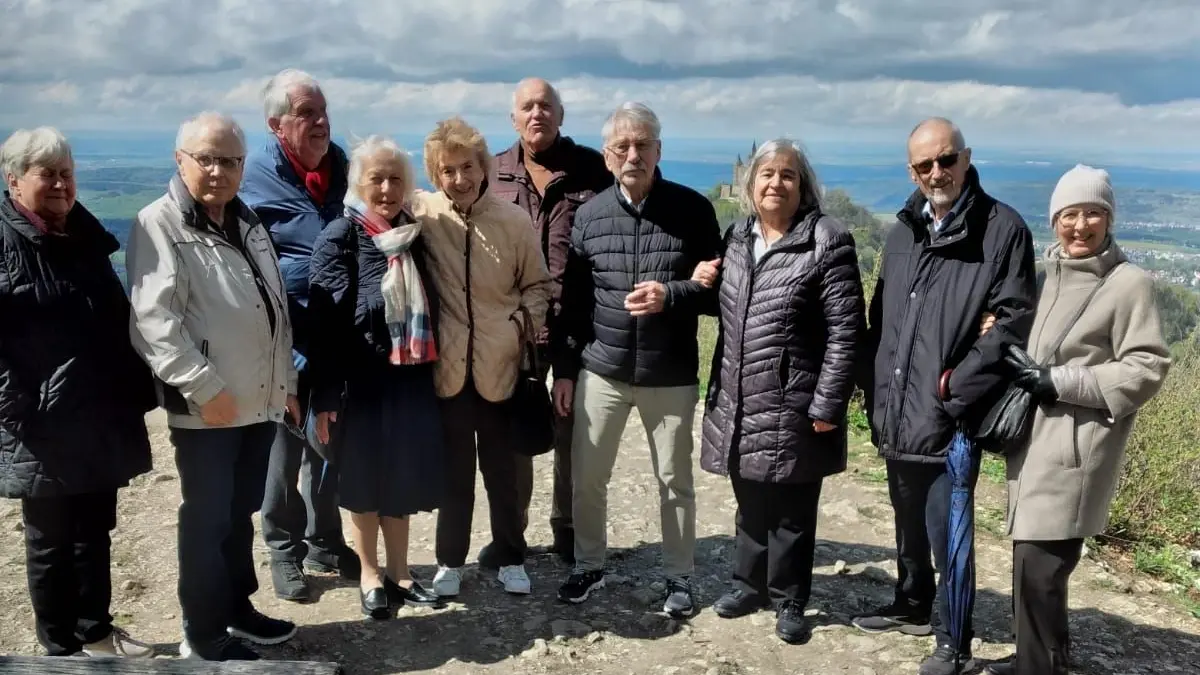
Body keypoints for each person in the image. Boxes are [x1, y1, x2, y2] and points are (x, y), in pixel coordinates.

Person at [854, 117, 1037, 675]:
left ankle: (953, 640)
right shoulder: (903, 229)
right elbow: (882, 314)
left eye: (946, 160)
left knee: (948, 531)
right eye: (924, 165)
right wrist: (873, 381)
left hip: (952, 417)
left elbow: (1013, 321)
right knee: (906, 517)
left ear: (966, 158)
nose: (937, 172)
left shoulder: (1001, 228)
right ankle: (911, 603)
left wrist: (956, 387)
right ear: (911, 170)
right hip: (898, 405)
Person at [984, 165, 1170, 675]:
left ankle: (1035, 667)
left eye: (1093, 213)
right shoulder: (1048, 277)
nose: (1081, 225)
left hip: (1077, 448)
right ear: (1055, 220)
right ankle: (1047, 658)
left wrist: (1061, 382)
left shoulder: (1129, 283)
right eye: (1070, 214)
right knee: (1034, 559)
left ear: (1109, 219)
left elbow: (1147, 366)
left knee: (1039, 566)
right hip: (1035, 444)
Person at [127, 112, 299, 661]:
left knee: (239, 510)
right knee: (206, 519)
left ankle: (236, 608)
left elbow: (274, 311)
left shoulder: (245, 220)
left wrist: (285, 383)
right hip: (210, 408)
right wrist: (204, 388)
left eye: (230, 160)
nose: (219, 170)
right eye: (207, 158)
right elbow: (152, 323)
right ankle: (202, 633)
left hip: (258, 400)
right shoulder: (160, 223)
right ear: (181, 160)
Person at [553, 102, 722, 618]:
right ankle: (588, 565)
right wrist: (564, 370)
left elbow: (717, 295)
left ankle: (679, 576)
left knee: (675, 482)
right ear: (607, 157)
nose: (633, 154)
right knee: (587, 477)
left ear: (659, 151)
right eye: (622, 147)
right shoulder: (589, 215)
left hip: (668, 372)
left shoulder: (692, 210)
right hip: (601, 369)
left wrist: (672, 294)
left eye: (642, 145)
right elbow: (573, 303)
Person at [694, 139, 865, 643]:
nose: (776, 183)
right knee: (749, 499)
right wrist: (698, 281)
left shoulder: (827, 240)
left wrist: (829, 403)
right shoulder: (738, 237)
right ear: (750, 185)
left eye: (787, 175)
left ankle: (791, 599)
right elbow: (726, 308)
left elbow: (845, 330)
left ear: (803, 186)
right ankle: (749, 585)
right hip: (741, 395)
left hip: (797, 399)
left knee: (791, 509)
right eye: (766, 174)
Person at [0, 127, 155, 658]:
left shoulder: (81, 234)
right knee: (50, 540)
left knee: (94, 529)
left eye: (67, 173)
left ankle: (96, 632)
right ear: (14, 178)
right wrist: (19, 411)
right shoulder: (5, 242)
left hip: (96, 410)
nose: (61, 184)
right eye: (48, 174)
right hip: (42, 423)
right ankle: (59, 647)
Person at [412, 116, 552, 598]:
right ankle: (450, 561)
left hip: (501, 366)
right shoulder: (424, 216)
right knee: (454, 474)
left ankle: (511, 555)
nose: (459, 179)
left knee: (503, 472)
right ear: (435, 173)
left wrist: (518, 329)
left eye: (467, 166)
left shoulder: (513, 221)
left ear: (483, 165)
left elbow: (538, 285)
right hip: (447, 369)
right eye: (448, 170)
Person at [307, 135, 445, 619]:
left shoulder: (413, 233)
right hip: (358, 386)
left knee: (402, 479)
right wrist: (324, 394)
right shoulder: (340, 237)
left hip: (408, 381)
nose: (387, 188)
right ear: (358, 184)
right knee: (364, 480)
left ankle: (401, 572)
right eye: (376, 179)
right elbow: (323, 325)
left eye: (395, 179)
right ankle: (369, 573)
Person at [241, 68, 358, 603]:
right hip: (280, 340)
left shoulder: (342, 169)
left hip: (335, 335)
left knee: (329, 443)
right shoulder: (253, 178)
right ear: (276, 124)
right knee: (283, 453)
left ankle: (325, 542)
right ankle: (283, 551)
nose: (320, 121)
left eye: (323, 110)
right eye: (306, 113)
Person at [491, 77, 612, 566]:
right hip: (512, 328)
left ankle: (568, 529)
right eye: (527, 107)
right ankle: (511, 534)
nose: (536, 114)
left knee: (573, 433)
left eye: (546, 106)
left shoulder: (591, 169)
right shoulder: (493, 172)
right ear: (513, 118)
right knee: (514, 435)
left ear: (560, 115)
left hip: (577, 323)